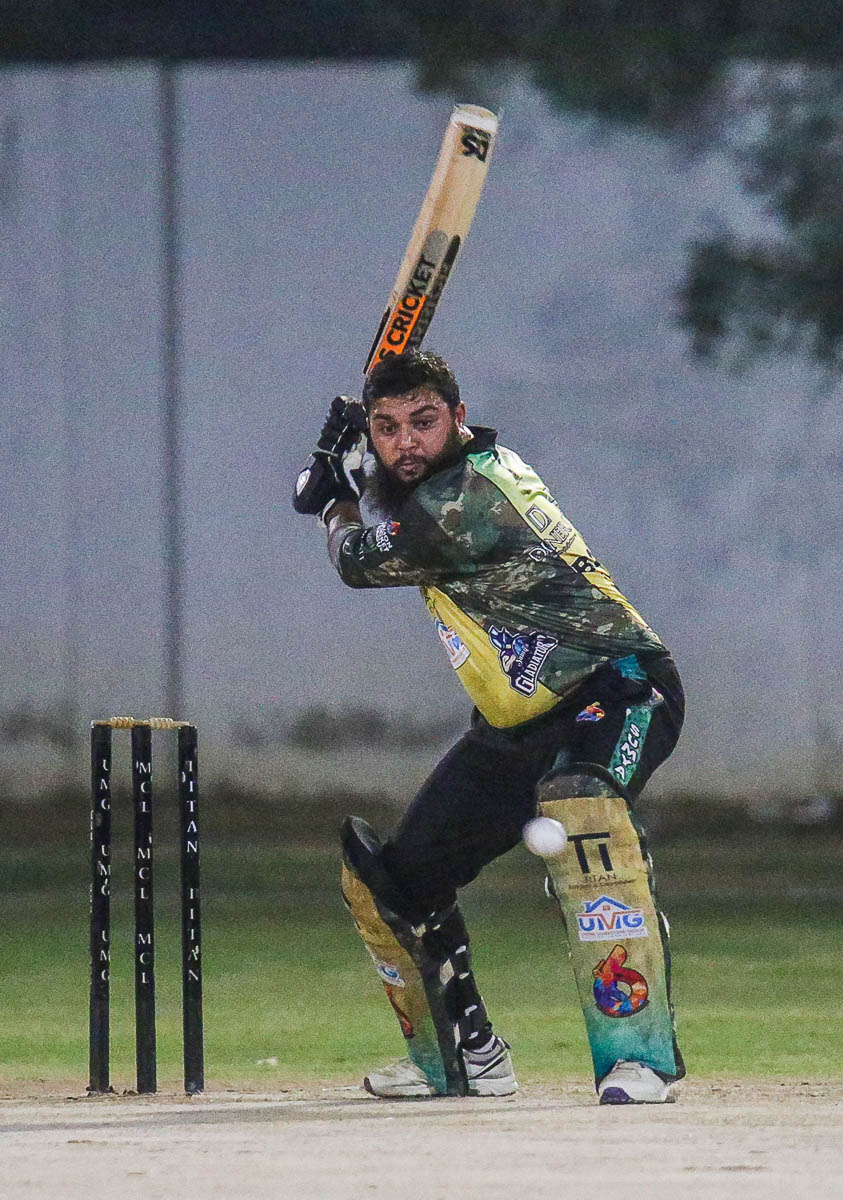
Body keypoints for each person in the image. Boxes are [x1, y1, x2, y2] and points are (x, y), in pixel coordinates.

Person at [293, 350, 685, 1104]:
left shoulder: (469, 494)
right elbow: (396, 508)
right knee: (398, 883)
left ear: (459, 419)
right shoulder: (431, 489)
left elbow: (359, 559)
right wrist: (353, 476)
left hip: (619, 685)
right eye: (386, 428)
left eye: (423, 422)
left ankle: (637, 1059)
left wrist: (334, 497)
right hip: (518, 721)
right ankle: (466, 1059)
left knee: (584, 808)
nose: (406, 442)